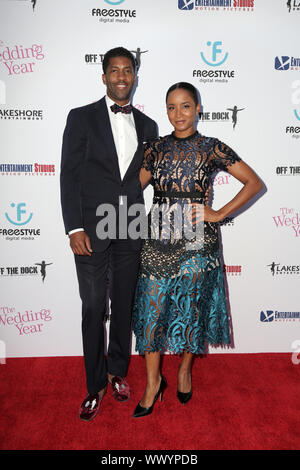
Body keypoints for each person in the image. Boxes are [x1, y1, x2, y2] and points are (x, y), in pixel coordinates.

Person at [132, 82, 263, 418]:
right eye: (172, 107)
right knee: (151, 313)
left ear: (198, 108)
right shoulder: (155, 148)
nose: (179, 114)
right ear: (166, 111)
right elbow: (130, 189)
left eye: (186, 106)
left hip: (197, 241)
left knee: (192, 310)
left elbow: (254, 183)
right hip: (156, 237)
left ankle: (185, 370)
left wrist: (218, 214)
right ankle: (152, 383)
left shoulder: (211, 147)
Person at [60, 47, 157, 421]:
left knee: (123, 304)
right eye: (114, 70)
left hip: (131, 224)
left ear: (135, 76)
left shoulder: (149, 126)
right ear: (103, 77)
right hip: (90, 226)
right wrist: (74, 226)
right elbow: (69, 175)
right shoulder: (81, 118)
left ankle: (117, 371)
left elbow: (145, 180)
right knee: (92, 306)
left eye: (127, 70)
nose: (121, 76)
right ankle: (94, 384)